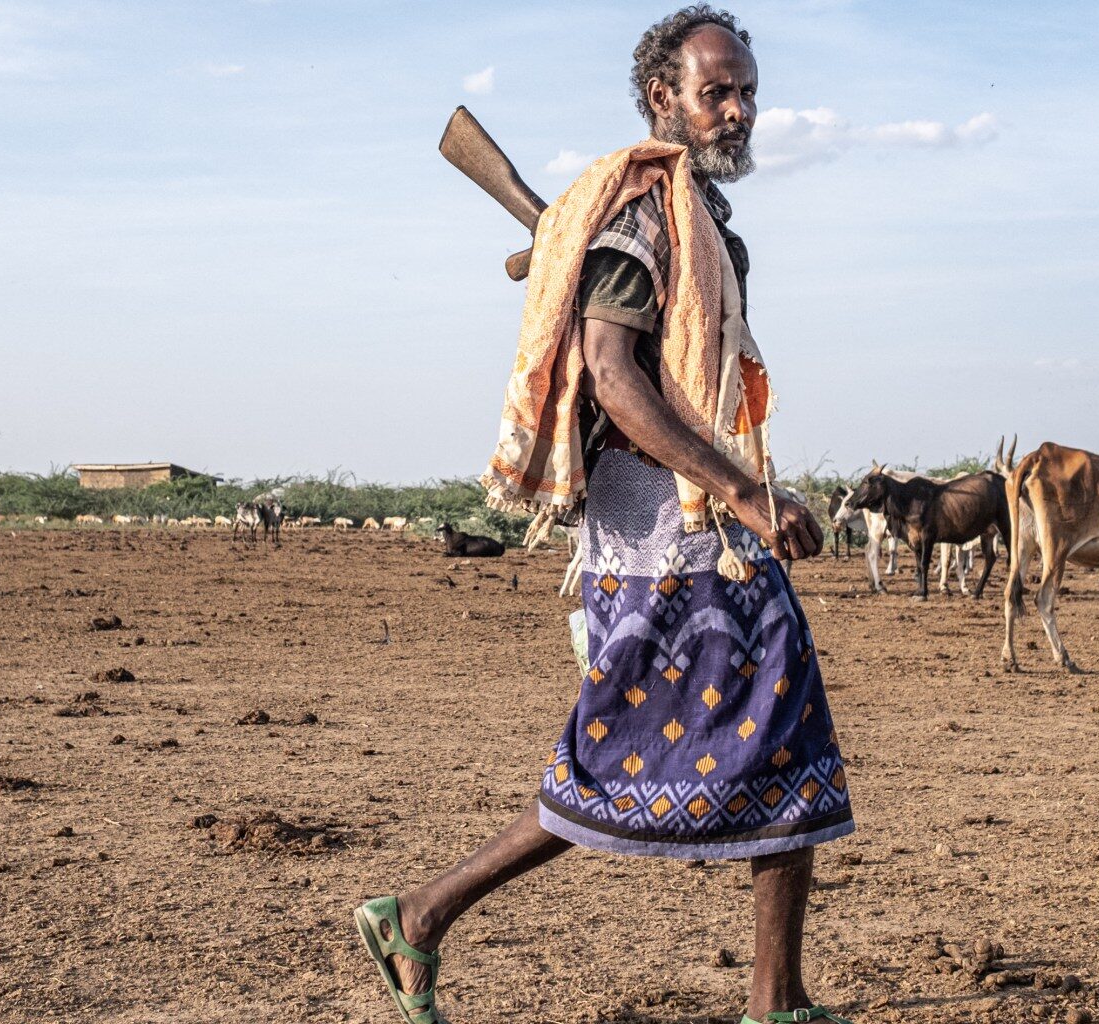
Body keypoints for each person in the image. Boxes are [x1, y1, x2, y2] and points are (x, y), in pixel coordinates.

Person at [356, 8, 854, 1024]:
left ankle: (772, 996)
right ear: (662, 98)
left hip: (690, 534)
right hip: (666, 540)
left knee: (755, 740)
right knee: (670, 750)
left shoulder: (681, 214)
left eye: (747, 93)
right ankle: (422, 914)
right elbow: (616, 380)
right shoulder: (641, 220)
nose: (739, 110)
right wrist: (746, 492)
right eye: (717, 92)